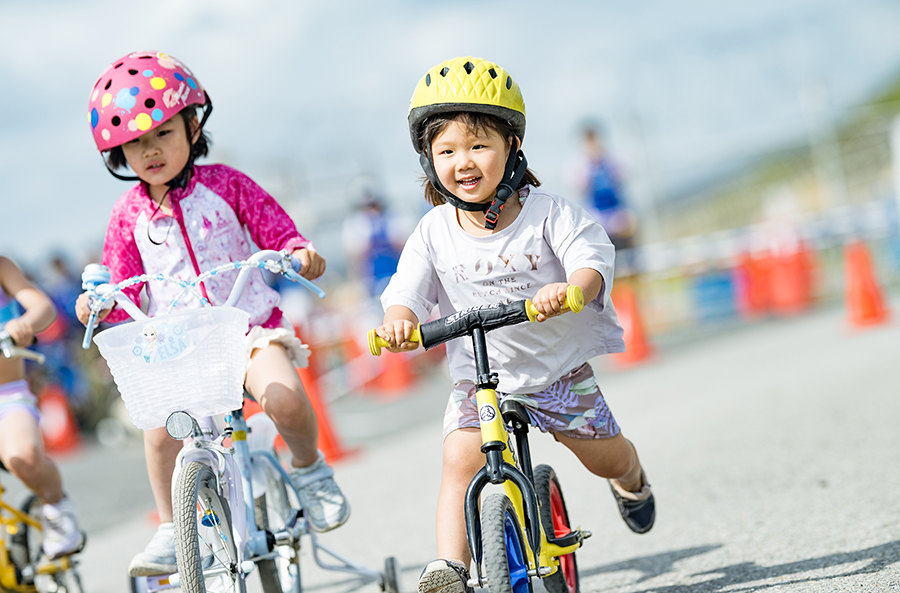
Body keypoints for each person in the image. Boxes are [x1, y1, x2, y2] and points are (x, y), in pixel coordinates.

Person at [373, 57, 656, 593]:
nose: (465, 161)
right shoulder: (434, 230)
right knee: (459, 458)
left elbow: (591, 256)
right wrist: (398, 321)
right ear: (430, 162)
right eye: (448, 150)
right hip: (481, 380)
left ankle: (632, 480)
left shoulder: (548, 213)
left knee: (605, 456)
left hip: (556, 372)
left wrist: (573, 287)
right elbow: (405, 289)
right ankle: (449, 569)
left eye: (479, 145)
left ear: (512, 147)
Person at [75, 51, 349, 577]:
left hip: (245, 326)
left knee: (285, 397)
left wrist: (298, 251)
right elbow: (117, 282)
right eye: (135, 142)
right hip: (176, 344)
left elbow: (280, 232)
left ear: (192, 125)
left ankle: (312, 471)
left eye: (163, 133)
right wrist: (99, 302)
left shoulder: (227, 185)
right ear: (119, 152)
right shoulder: (127, 214)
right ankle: (170, 526)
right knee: (157, 429)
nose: (150, 150)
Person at [0, 256, 85, 558]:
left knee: (23, 457)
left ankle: (55, 505)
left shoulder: (2, 268)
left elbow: (43, 308)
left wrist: (23, 323)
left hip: (6, 395)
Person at [576, 125, 638, 252]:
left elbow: (624, 175)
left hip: (618, 215)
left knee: (628, 239)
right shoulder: (582, 168)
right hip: (598, 218)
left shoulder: (612, 162)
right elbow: (578, 185)